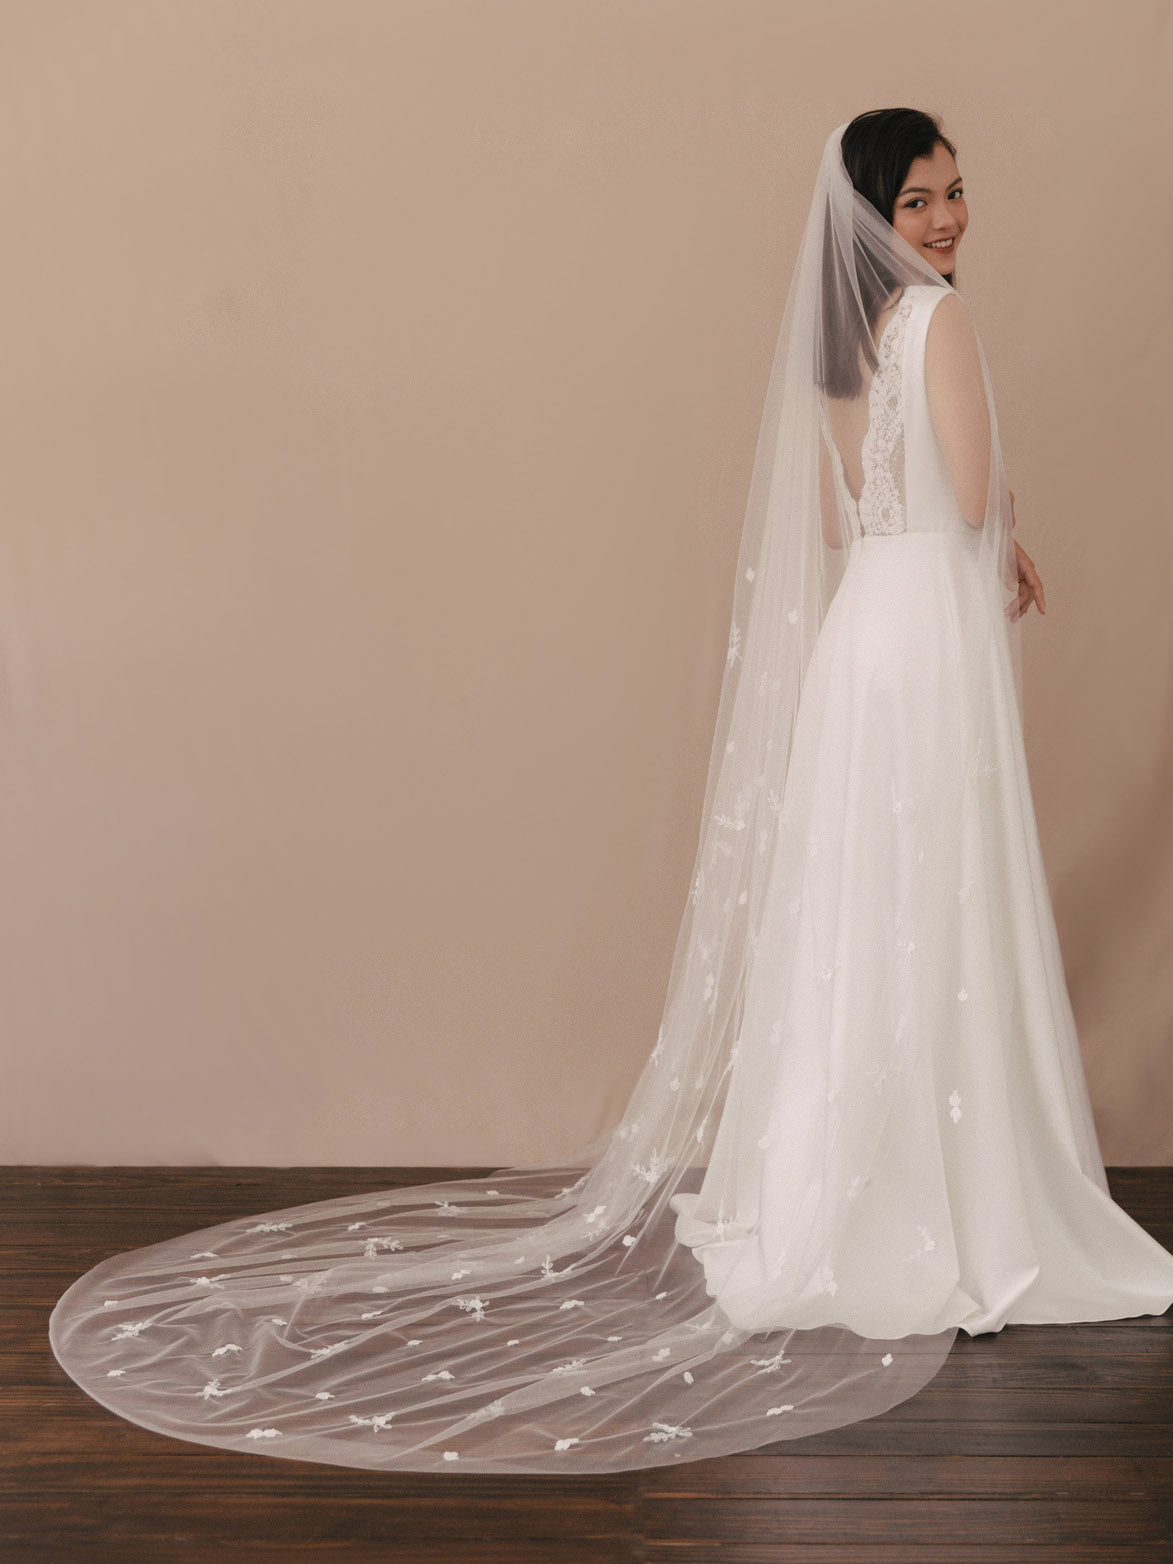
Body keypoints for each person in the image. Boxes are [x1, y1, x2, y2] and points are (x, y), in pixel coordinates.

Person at [48, 108, 1173, 1474]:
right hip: (927, 644)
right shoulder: (938, 320)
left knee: (862, 912)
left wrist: (978, 537)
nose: (947, 220)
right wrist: (1006, 537)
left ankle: (839, 1197)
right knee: (934, 904)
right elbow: (974, 493)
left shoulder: (838, 342)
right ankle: (956, 1197)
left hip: (862, 641)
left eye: (954, 192)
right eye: (920, 200)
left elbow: (846, 517)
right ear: (877, 217)